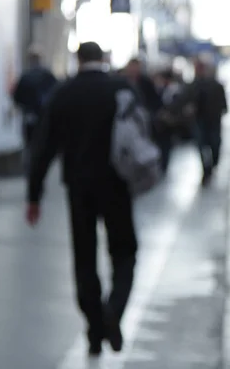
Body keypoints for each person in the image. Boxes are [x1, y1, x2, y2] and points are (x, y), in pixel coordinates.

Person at [26, 42, 139, 357]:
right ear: (102, 59)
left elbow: (43, 146)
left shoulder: (64, 93)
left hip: (79, 188)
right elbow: (143, 131)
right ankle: (113, 311)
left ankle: (94, 330)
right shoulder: (120, 88)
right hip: (116, 185)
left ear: (78, 60)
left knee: (84, 258)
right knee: (125, 251)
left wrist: (34, 195)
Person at [164, 57, 227, 184]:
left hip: (213, 120)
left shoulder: (215, 85)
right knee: (203, 145)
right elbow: (181, 101)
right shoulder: (193, 86)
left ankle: (212, 164)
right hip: (199, 121)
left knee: (214, 144)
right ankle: (207, 169)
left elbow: (223, 103)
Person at [12, 46, 58, 173]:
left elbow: (17, 97)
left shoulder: (25, 76)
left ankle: (32, 171)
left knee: (30, 146)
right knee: (43, 146)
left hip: (30, 116)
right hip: (44, 117)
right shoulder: (47, 75)